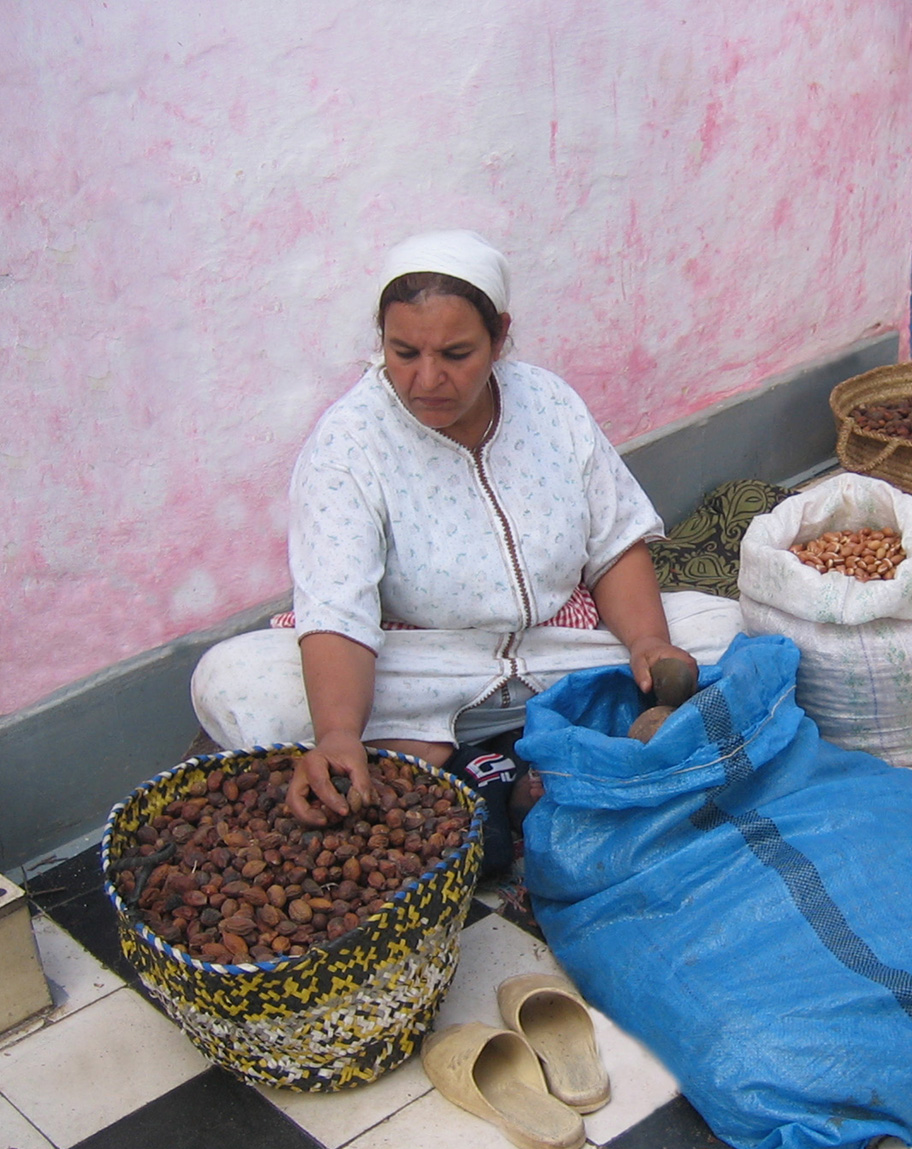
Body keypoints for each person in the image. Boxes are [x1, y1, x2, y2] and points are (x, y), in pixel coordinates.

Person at [191, 231, 742, 868]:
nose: (428, 379)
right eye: (404, 353)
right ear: (381, 340)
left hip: (556, 647)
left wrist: (647, 642)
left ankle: (452, 765)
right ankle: (524, 753)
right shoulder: (349, 444)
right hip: (421, 665)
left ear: (500, 336)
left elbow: (614, 544)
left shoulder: (550, 405)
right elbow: (338, 611)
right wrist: (339, 732)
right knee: (238, 682)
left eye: (456, 353)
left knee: (726, 627)